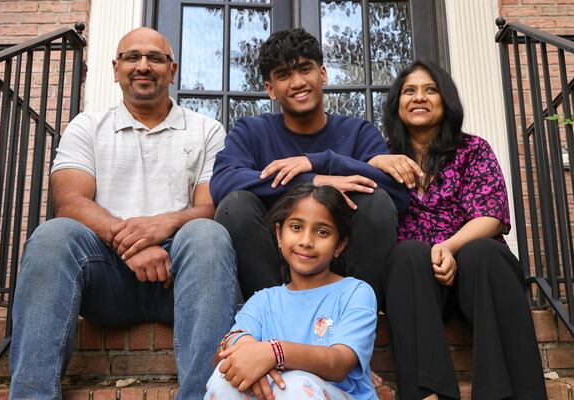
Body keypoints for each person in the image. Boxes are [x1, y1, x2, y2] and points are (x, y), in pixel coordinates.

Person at [9, 27, 237, 400]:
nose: (143, 66)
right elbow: (69, 200)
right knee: (53, 236)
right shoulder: (87, 126)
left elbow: (209, 206)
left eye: (155, 58)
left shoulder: (206, 129)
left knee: (209, 235)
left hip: (179, 277)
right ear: (116, 68)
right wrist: (132, 244)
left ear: (172, 69)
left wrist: (164, 225)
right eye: (132, 57)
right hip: (107, 277)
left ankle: (205, 395)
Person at [374, 60, 547, 399]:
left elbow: (491, 215)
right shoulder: (383, 156)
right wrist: (374, 162)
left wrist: (449, 248)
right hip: (413, 286)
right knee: (408, 253)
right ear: (397, 103)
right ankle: (427, 394)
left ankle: (508, 394)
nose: (419, 97)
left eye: (430, 89)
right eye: (409, 91)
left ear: (446, 100)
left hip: (475, 276)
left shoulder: (473, 150)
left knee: (483, 252)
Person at [210, 28, 409, 304]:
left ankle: (356, 316)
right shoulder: (252, 131)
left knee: (376, 202)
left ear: (323, 74)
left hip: (343, 267)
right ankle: (278, 315)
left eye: (305, 69)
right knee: (236, 205)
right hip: (274, 271)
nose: (297, 82)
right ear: (270, 89)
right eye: (284, 75)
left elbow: (398, 196)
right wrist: (312, 181)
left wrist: (324, 161)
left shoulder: (358, 132)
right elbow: (223, 183)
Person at [205, 184, 379, 400]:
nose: (306, 241)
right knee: (228, 379)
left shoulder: (355, 293)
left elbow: (338, 363)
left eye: (322, 232)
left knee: (294, 386)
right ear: (279, 235)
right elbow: (225, 353)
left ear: (339, 245)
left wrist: (273, 353)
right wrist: (245, 350)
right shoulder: (264, 300)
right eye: (296, 227)